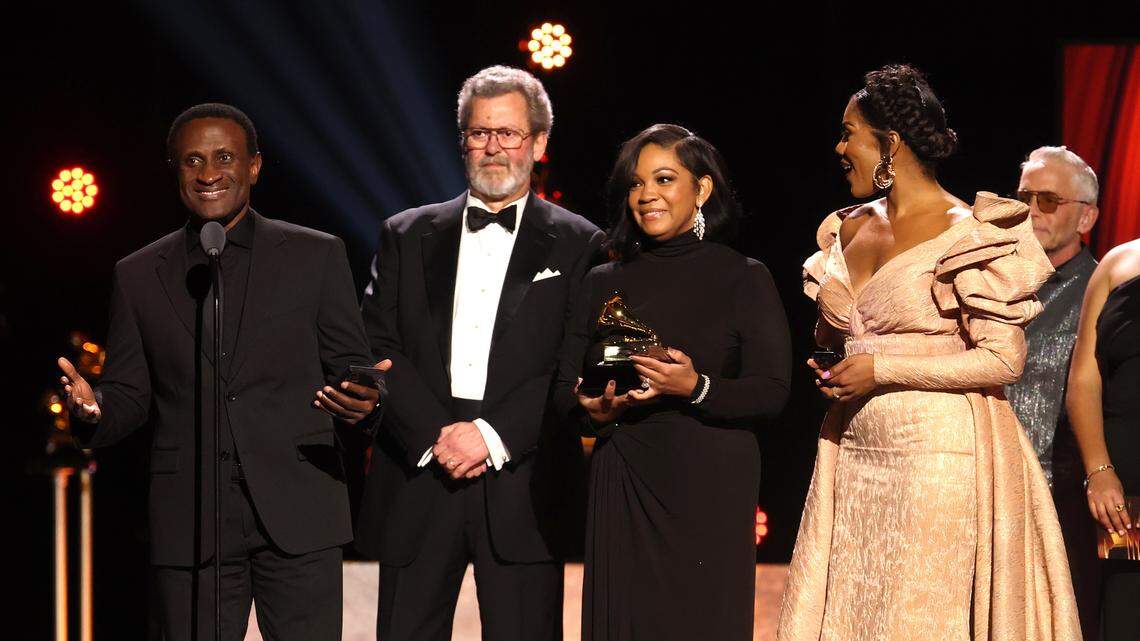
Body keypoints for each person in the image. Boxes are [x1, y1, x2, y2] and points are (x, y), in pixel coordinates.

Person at [57, 103, 385, 641]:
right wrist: (95, 411)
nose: (209, 173)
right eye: (192, 161)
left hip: (298, 507)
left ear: (254, 166)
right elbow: (129, 394)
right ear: (175, 171)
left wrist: (369, 396)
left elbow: (355, 367)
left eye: (224, 157)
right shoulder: (139, 274)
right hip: (191, 518)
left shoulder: (316, 256)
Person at [777, 65, 1080, 640]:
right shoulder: (847, 228)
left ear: (889, 144)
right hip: (853, 449)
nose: (839, 147)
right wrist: (837, 361)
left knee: (916, 617)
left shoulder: (971, 234)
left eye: (849, 133)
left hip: (937, 457)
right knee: (856, 612)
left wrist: (882, 368)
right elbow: (849, 333)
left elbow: (1001, 360)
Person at [355, 66, 605, 641]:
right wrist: (435, 434)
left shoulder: (581, 242)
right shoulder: (404, 232)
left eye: (509, 133)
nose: (493, 147)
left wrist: (489, 435)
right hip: (419, 474)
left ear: (539, 143)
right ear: (462, 140)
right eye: (479, 133)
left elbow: (572, 361)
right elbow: (377, 342)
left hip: (525, 480)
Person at [555, 123, 792, 640]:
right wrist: (591, 413)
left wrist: (695, 386)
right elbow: (563, 389)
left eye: (664, 179)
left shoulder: (744, 277)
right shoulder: (602, 281)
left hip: (709, 486)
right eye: (636, 184)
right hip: (625, 473)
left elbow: (771, 391)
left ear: (702, 189)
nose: (647, 196)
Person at [1006, 145, 1101, 638]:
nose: (1031, 210)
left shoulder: (1101, 294)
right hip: (984, 488)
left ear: (1086, 217)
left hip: (1059, 505)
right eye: (1024, 197)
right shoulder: (991, 283)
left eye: (1048, 200)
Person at [1066, 237, 1140, 640]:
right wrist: (1099, 469)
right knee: (1127, 608)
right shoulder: (1118, 262)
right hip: (1127, 489)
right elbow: (1084, 377)